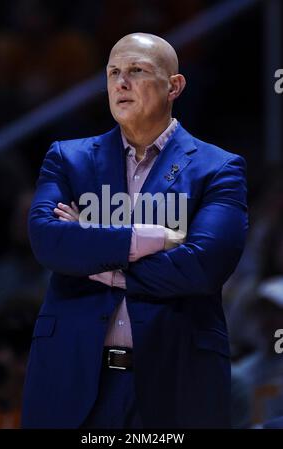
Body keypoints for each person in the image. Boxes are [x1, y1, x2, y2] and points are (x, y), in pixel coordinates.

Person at [21, 32, 248, 429]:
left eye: (136, 71)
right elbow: (49, 242)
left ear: (174, 86)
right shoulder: (67, 157)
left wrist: (91, 249)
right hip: (69, 377)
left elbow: (202, 267)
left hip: (175, 379)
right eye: (113, 72)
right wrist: (152, 239)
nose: (120, 83)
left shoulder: (220, 167)